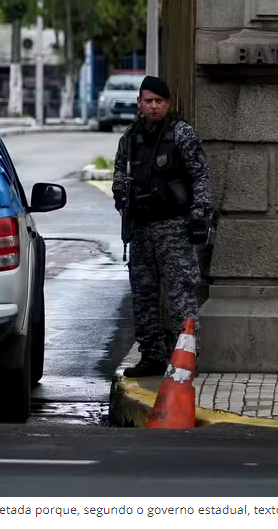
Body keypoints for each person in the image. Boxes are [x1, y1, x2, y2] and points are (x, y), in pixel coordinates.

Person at [112, 75, 212, 377]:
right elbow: (119, 173)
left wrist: (199, 216)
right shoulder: (130, 138)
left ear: (166, 104)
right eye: (148, 101)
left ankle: (187, 354)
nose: (153, 106)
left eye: (158, 101)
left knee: (181, 294)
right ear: (140, 103)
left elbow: (200, 177)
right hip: (141, 228)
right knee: (143, 296)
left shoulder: (181, 134)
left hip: (174, 227)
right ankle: (152, 355)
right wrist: (121, 197)